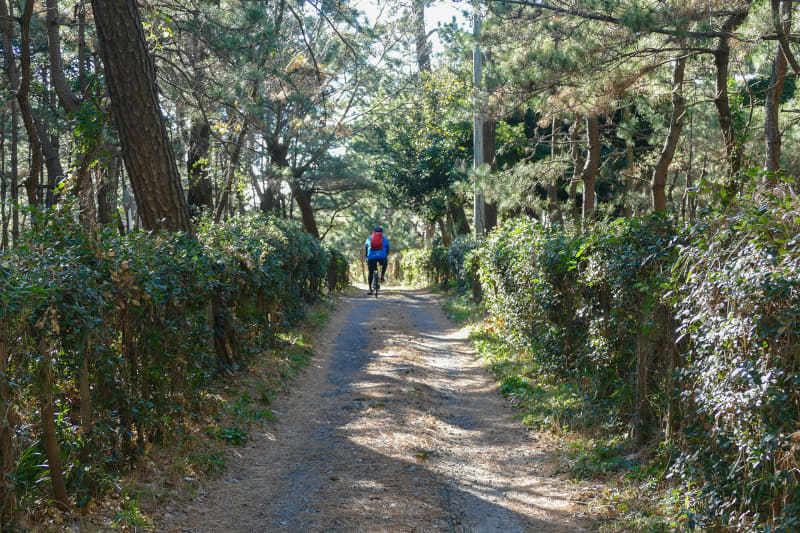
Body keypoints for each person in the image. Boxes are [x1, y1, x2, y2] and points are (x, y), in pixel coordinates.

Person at [365, 226, 389, 295]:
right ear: (382, 233)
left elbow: (366, 249)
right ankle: (382, 277)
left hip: (371, 257)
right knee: (385, 263)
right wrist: (385, 256)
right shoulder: (385, 239)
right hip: (382, 257)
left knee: (371, 272)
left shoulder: (369, 239)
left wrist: (367, 257)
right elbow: (388, 249)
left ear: (374, 232)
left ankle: (370, 288)